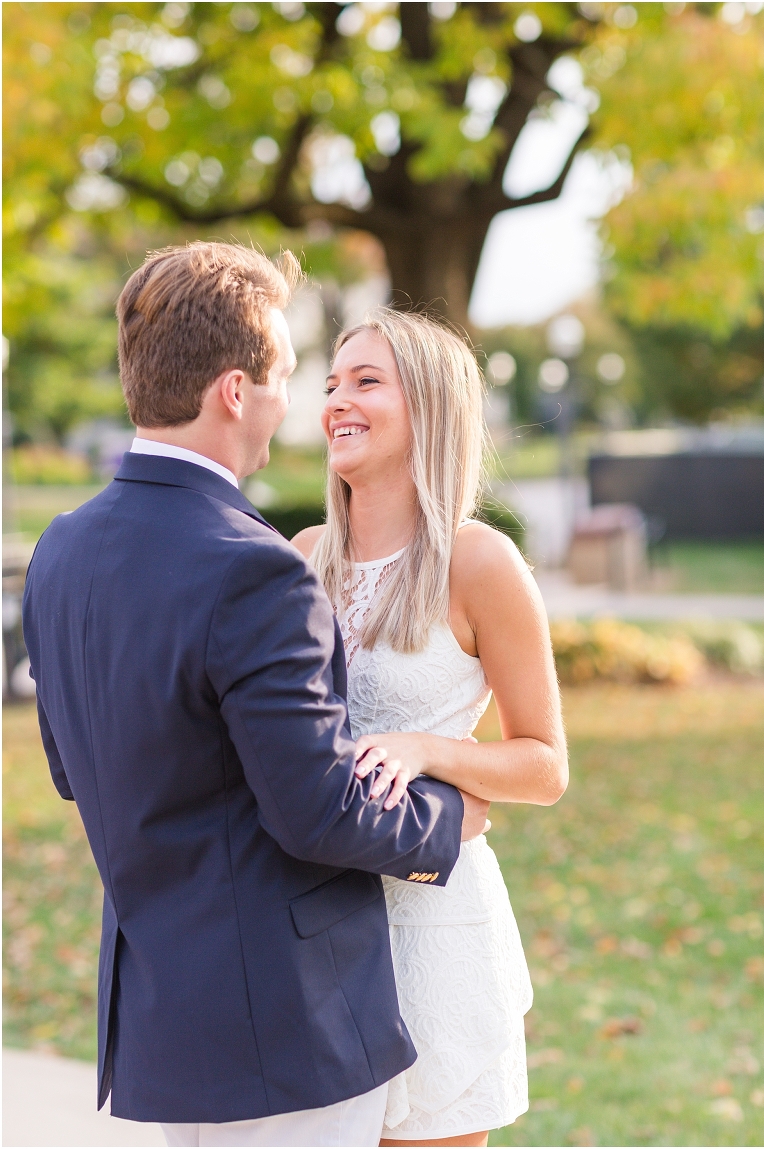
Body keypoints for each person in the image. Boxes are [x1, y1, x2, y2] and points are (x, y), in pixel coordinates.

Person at [22, 243, 492, 1149]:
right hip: (286, 1023)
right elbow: (316, 812)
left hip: (162, 1018)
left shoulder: (61, 551)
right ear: (236, 391)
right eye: (284, 375)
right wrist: (449, 816)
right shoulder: (256, 570)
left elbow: (74, 770)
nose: (294, 401)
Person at [293, 309, 569, 1148]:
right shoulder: (301, 557)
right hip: (310, 929)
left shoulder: (478, 560)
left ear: (430, 406)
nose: (338, 400)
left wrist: (427, 754)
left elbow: (545, 765)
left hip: (433, 932)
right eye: (333, 383)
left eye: (366, 381)